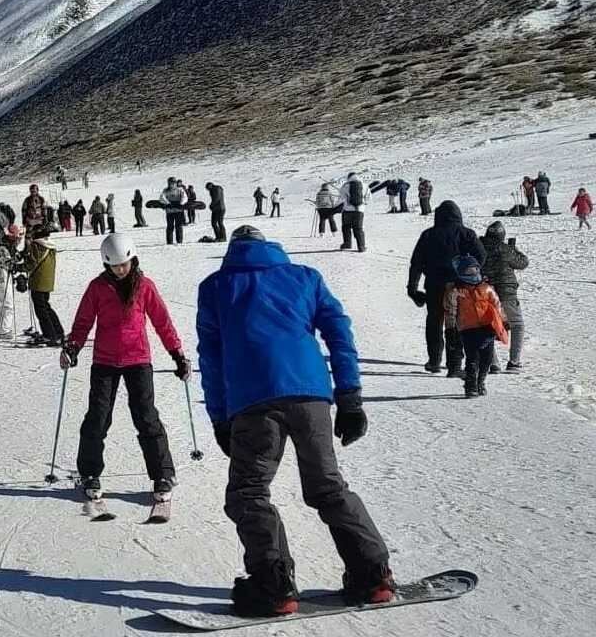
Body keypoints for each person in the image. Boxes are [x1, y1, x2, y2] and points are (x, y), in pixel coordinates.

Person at [197, 225, 392, 616]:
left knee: (249, 493)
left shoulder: (216, 287)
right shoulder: (305, 277)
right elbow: (339, 330)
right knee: (328, 487)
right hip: (311, 395)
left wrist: (220, 419)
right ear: (269, 247)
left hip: (253, 402)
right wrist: (349, 395)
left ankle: (274, 587)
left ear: (233, 250)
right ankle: (373, 577)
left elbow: (211, 357)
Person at [61, 233, 190, 502]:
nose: (120, 270)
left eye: (124, 264)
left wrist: (177, 354)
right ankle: (89, 473)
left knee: (146, 416)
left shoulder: (145, 286)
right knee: (97, 417)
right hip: (105, 362)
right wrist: (72, 347)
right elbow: (83, 322)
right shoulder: (97, 287)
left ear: (133, 259)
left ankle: (162, 475)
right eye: (115, 266)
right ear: (106, 265)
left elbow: (162, 322)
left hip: (138, 360)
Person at [406, 201, 486, 376]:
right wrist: (472, 275)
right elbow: (481, 255)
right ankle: (454, 365)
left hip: (434, 285)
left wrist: (412, 288)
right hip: (460, 286)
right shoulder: (467, 234)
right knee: (456, 323)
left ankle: (434, 361)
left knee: (434, 322)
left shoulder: (428, 235)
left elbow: (416, 264)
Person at [445, 256, 507, 398]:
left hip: (487, 327)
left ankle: (480, 382)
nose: (473, 274)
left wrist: (504, 321)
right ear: (461, 273)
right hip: (468, 329)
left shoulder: (486, 288)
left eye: (475, 270)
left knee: (487, 358)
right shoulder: (456, 290)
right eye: (469, 271)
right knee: (472, 359)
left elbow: (497, 305)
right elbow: (451, 310)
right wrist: (450, 329)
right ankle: (470, 385)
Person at [481, 222, 527, 372]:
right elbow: (523, 262)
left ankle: (493, 363)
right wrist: (513, 248)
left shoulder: (479, 247)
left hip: (486, 292)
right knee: (517, 324)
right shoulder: (505, 249)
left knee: (487, 326)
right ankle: (514, 362)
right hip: (507, 293)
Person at [22, 225, 64, 346]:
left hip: (38, 281)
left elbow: (31, 263)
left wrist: (18, 267)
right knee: (46, 307)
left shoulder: (38, 245)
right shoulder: (50, 245)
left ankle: (49, 335)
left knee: (41, 309)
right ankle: (57, 332)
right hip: (47, 281)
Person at [0, 224, 23, 340]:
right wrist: (20, 267)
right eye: (18, 237)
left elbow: (12, 259)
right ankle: (4, 331)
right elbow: (8, 263)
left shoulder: (8, 246)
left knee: (4, 303)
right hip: (1, 277)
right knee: (8, 305)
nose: (20, 239)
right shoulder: (3, 247)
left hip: (2, 276)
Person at [338, 173, 368, 253]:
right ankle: (361, 246)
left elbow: (341, 198)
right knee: (358, 228)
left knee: (346, 227)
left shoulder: (346, 185)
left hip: (347, 210)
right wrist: (363, 204)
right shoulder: (364, 185)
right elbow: (368, 198)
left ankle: (347, 243)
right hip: (359, 211)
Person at [160, 177, 188, 245]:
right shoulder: (166, 190)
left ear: (175, 183)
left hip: (179, 211)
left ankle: (179, 241)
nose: (171, 185)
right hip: (170, 211)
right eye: (170, 183)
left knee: (179, 226)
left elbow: (185, 197)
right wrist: (167, 203)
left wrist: (181, 203)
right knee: (170, 226)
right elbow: (162, 197)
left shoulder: (180, 189)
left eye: (173, 183)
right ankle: (169, 241)